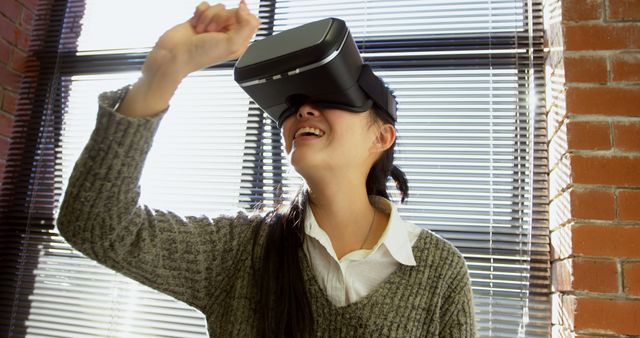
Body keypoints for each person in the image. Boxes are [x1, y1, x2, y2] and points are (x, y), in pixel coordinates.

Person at [56, 1, 476, 337]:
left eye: (330, 94)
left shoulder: (440, 273)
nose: (302, 111)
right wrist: (165, 69)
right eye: (290, 106)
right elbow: (96, 223)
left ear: (381, 137)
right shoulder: (240, 250)